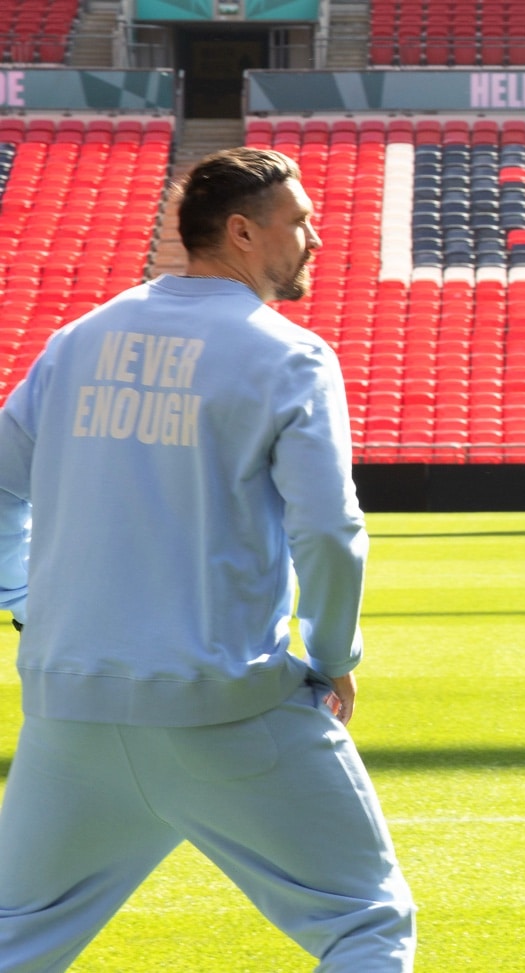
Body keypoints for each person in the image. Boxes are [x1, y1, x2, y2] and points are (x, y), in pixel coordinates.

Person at [0, 147, 415, 971]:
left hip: (69, 708)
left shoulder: (77, 341)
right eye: (298, 222)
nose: (315, 237)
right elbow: (329, 530)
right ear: (240, 232)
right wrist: (333, 657)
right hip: (226, 707)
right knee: (364, 924)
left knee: (16, 938)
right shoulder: (289, 356)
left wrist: (23, 597)